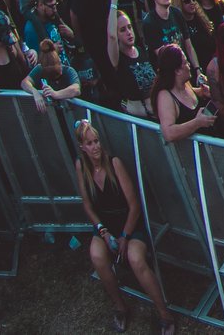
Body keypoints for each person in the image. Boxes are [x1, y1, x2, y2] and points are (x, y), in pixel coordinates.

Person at [72, 119, 175, 335]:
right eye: (90, 143)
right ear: (82, 147)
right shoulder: (81, 166)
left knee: (136, 259)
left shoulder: (114, 163)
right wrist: (102, 230)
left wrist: (125, 237)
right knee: (97, 257)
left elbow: (134, 205)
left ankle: (165, 315)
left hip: (128, 222)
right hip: (105, 226)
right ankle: (120, 306)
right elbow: (87, 205)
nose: (95, 146)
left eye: (97, 141)